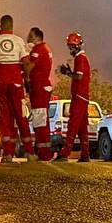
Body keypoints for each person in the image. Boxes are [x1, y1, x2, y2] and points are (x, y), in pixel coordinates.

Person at [0, 14, 34, 163]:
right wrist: (27, 79)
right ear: (12, 26)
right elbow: (26, 63)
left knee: (3, 117)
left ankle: (7, 153)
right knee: (21, 116)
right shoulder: (19, 41)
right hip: (16, 83)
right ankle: (30, 152)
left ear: (0, 26)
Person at [55, 32, 92, 162]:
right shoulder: (82, 58)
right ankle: (85, 154)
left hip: (79, 96)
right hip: (83, 96)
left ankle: (65, 153)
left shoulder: (80, 58)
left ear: (77, 46)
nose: (70, 49)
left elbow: (79, 76)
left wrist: (68, 73)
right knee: (82, 128)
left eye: (71, 46)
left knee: (73, 124)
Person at [25, 27, 55, 161]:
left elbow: (29, 67)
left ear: (37, 37)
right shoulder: (46, 48)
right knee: (42, 120)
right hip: (43, 87)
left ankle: (43, 153)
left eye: (30, 35)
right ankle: (44, 150)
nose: (28, 38)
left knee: (39, 120)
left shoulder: (38, 50)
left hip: (39, 89)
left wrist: (22, 64)